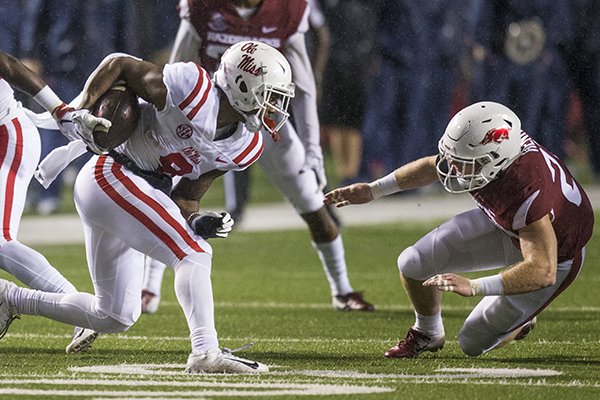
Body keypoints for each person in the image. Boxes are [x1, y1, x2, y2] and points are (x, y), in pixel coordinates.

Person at [0, 40, 296, 373]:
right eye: (269, 95)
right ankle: (205, 353)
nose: (273, 106)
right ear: (242, 85)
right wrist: (80, 109)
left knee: (114, 315)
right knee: (193, 253)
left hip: (127, 189)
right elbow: (121, 64)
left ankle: (10, 299)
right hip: (113, 172)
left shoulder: (245, 145)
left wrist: (198, 221)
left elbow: (185, 198)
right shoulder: (192, 89)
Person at [142, 0, 374, 314]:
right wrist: (172, 120)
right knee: (173, 194)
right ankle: (149, 288)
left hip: (265, 118)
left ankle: (342, 289)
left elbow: (303, 84)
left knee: (310, 200)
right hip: (210, 118)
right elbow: (175, 68)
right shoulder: (203, 7)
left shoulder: (288, 8)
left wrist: (313, 150)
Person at [325, 102, 594, 359]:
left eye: (464, 162)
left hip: (556, 256)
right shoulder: (493, 153)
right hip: (508, 226)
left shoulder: (526, 189)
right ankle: (427, 332)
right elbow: (434, 166)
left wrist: (474, 286)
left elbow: (542, 269)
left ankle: (519, 324)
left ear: (495, 161)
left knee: (472, 342)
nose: (454, 168)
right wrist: (372, 190)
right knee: (412, 262)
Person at [0, 51, 108, 343]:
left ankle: (77, 308)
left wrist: (58, 108)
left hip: (6, 135)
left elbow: (7, 65)